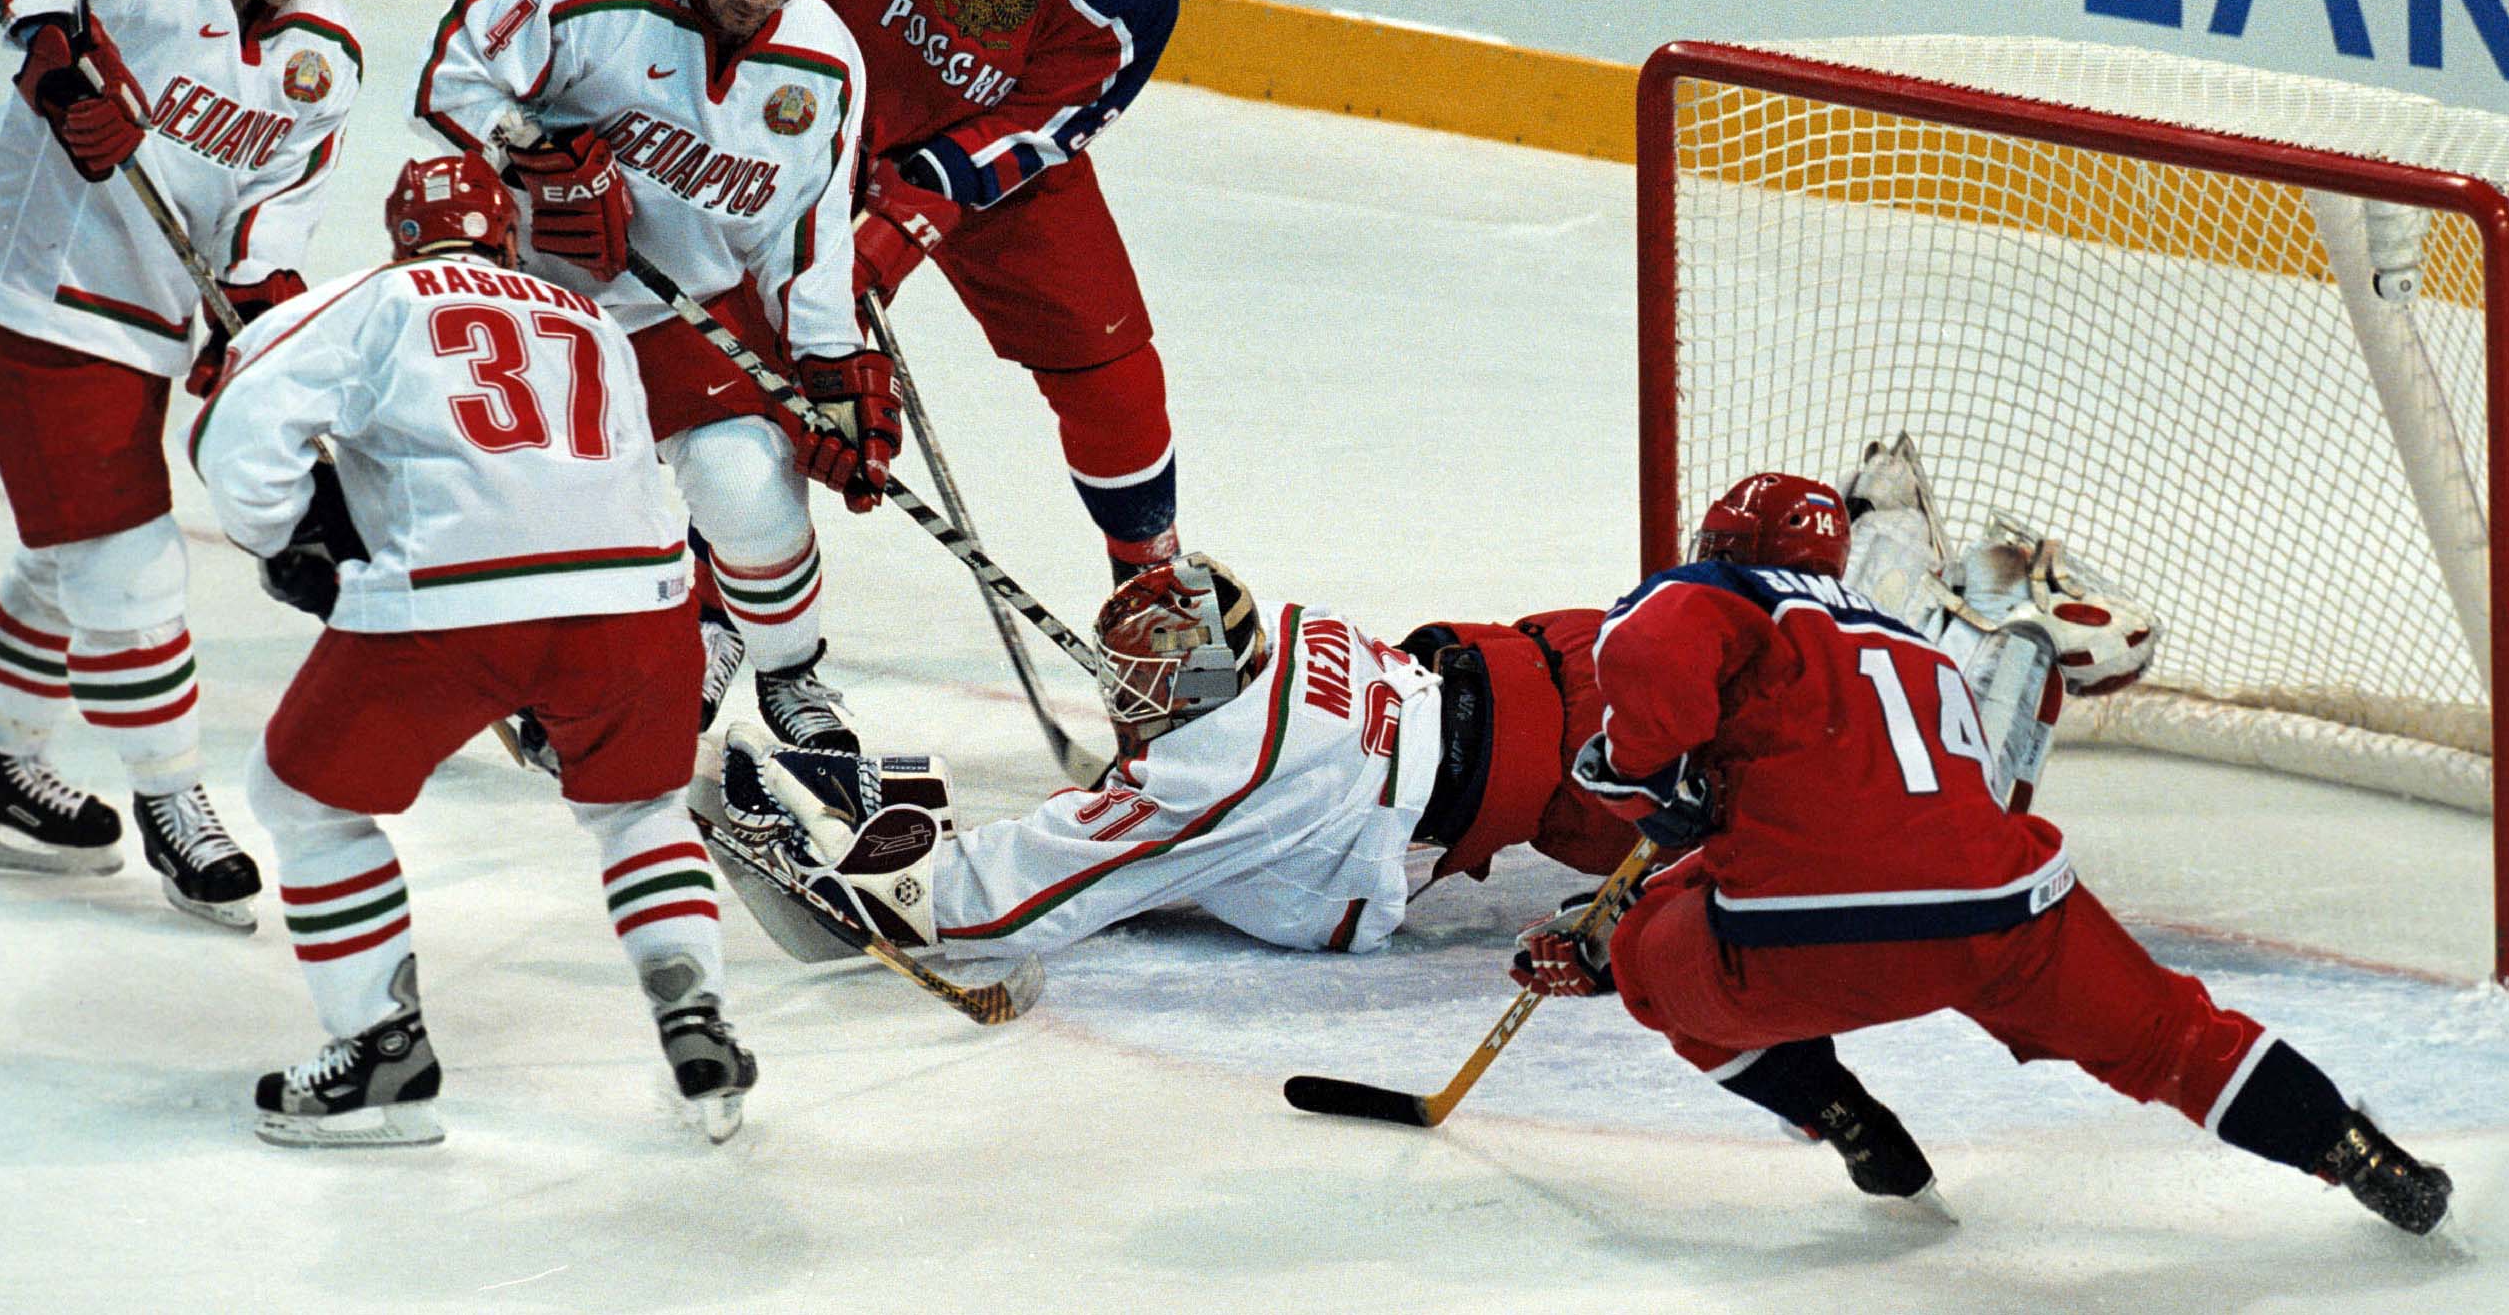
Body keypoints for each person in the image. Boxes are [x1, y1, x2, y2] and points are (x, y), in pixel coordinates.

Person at [687, 441, 2147, 966]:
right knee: (1782, 671)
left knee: (1867, 819)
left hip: (1576, 766)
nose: (1129, 709)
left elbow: (1037, 877)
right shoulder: (1289, 643)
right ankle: (1901, 577)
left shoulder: (1216, 767)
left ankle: (2002, 660)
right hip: (1555, 681)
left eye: (1145, 692)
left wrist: (892, 905)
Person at [1507, 470, 2453, 1237]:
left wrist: (1636, 797)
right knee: (2169, 1033)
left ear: (1716, 549)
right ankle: (2350, 1147)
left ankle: (1850, 1122)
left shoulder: (1714, 593)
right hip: (2002, 911)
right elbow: (1880, 828)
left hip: (1805, 944)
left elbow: (1654, 654)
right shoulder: (1914, 647)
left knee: (1646, 955)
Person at [190, 154, 756, 1148]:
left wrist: (288, 535)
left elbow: (236, 435)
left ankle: (381, 1057)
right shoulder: (589, 319)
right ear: (509, 235)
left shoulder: (377, 297)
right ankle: (697, 1024)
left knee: (304, 801)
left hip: (453, 605)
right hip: (638, 605)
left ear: (402, 235)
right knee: (637, 809)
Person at [0, 0, 369, 929]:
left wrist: (254, 302)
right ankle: (173, 799)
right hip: (30, 292)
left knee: (70, 550)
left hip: (148, 322)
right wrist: (52, 47)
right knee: (126, 566)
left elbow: (281, 196)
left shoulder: (326, 50)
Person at [418, 0, 895, 754]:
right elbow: (450, 78)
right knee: (540, 502)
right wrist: (530, 154)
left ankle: (789, 672)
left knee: (749, 488)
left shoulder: (825, 60)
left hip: (683, 309)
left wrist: (831, 364)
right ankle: (541, 669)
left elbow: (807, 236)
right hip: (528, 300)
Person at [681, 0, 1184, 583]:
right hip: (821, 110)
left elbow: (1049, 120)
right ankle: (715, 601)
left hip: (991, 166)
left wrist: (913, 209)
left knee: (1112, 370)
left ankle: (1152, 583)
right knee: (764, 349)